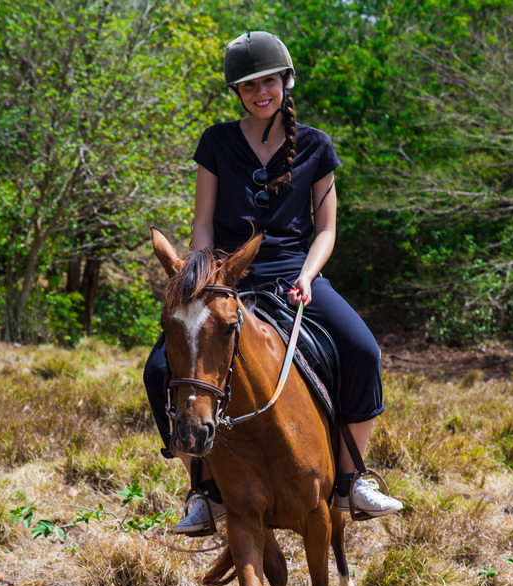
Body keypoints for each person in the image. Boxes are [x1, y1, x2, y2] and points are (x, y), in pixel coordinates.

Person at [144, 30, 403, 535]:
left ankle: (352, 481)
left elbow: (325, 229)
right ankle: (203, 490)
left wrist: (308, 276)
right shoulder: (216, 142)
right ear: (237, 93)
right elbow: (203, 221)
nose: (260, 93)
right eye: (248, 86)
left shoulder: (318, 147)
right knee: (159, 371)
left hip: (294, 276)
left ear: (287, 81)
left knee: (364, 350)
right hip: (226, 279)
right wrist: (203, 274)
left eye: (268, 81)